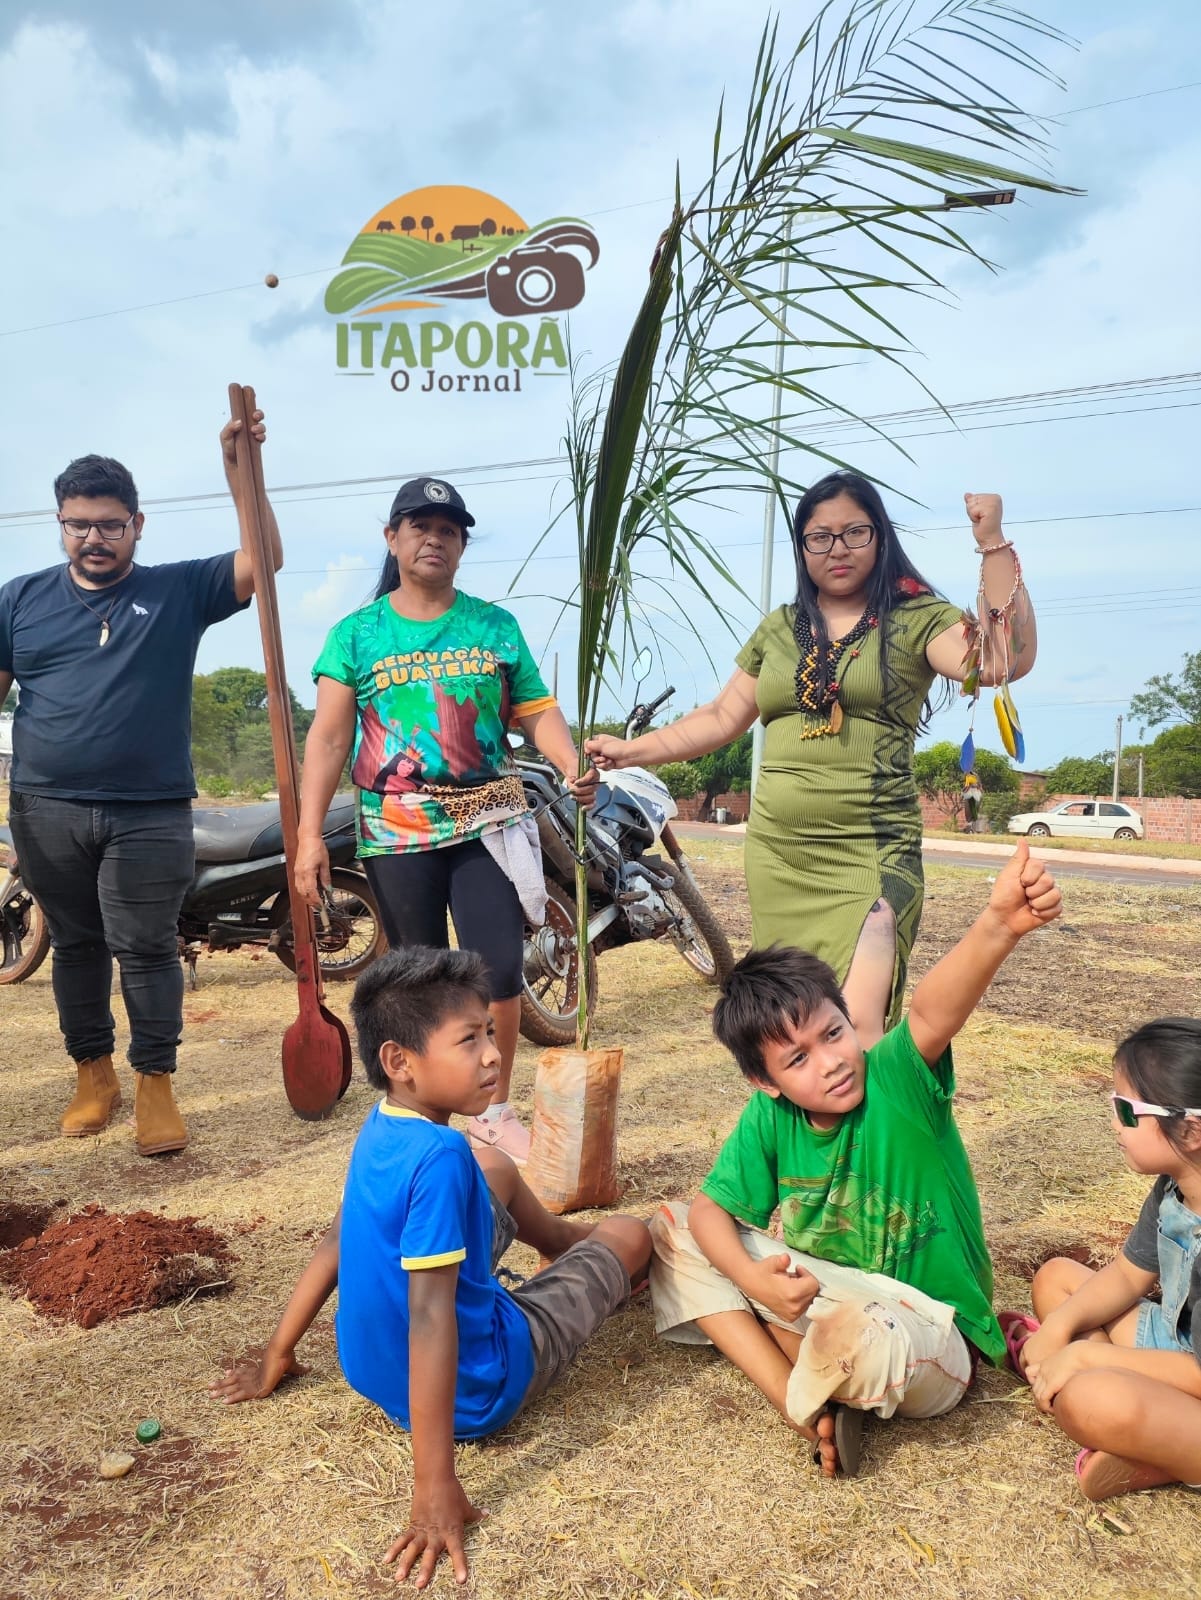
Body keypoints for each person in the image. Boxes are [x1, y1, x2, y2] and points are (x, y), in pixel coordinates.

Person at [210, 945, 651, 1590]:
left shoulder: (384, 1125)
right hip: (487, 1382)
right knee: (633, 1232)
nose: (494, 1055)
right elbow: (428, 1313)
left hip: (376, 1379)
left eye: (490, 1035)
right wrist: (434, 1486)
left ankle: (559, 1241)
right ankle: (593, 1252)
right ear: (401, 1062)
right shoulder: (441, 1157)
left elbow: (339, 1241)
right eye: (469, 1041)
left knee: (494, 1167)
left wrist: (279, 1351)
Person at [648, 839, 1061, 1477]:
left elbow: (930, 1010)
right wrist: (755, 1278)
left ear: (849, 1020)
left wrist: (999, 926)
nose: (832, 1062)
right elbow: (709, 1210)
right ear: (766, 1082)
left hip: (928, 1327)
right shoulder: (771, 1116)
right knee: (675, 1228)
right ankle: (800, 1406)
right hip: (831, 1298)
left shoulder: (895, 1078)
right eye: (798, 1060)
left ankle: (823, 1371)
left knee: (862, 1336)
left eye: (833, 1033)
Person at [586, 472, 1036, 1045]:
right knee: (792, 1025)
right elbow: (722, 716)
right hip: (779, 855)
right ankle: (808, 1135)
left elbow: (1000, 661)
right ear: (802, 548)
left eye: (854, 532)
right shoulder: (778, 628)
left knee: (857, 1026)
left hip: (869, 853)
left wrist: (992, 544)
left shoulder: (917, 616)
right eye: (819, 537)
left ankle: (869, 1135)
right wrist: (630, 751)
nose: (838, 548)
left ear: (881, 537)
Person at [0, 412, 282, 1156]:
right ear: (60, 523)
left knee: (147, 948)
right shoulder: (19, 600)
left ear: (138, 525)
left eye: (110, 525)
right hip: (44, 806)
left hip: (150, 811)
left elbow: (264, 560)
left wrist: (239, 473)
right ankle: (93, 1075)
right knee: (76, 945)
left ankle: (155, 1082)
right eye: (79, 524)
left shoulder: (179, 590)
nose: (94, 537)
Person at [295, 476, 597, 1164]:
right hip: (396, 831)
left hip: (487, 819)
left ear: (462, 545)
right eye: (420, 526)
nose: (435, 539)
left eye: (449, 530)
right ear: (393, 538)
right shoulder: (357, 634)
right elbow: (330, 739)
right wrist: (310, 835)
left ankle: (492, 1110)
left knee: (496, 971)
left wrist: (569, 757)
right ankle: (425, 1113)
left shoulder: (494, 625)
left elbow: (536, 711)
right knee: (419, 978)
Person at [1000, 1018, 1201, 1502]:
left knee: (1091, 1400)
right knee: (1056, 1281)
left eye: (1126, 1110)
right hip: (1179, 1349)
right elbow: (1130, 1274)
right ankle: (1155, 1439)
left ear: (1190, 1129)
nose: (1114, 1122)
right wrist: (1057, 1330)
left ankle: (1162, 1452)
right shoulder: (1174, 1189)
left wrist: (1086, 1355)